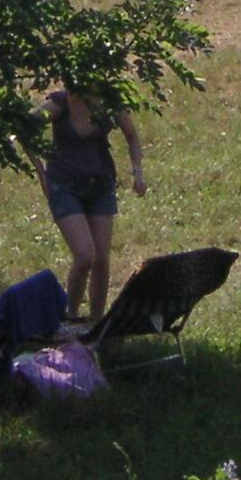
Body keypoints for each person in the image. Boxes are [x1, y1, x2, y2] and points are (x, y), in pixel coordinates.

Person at [36, 83, 145, 323]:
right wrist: (41, 173)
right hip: (64, 185)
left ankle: (96, 323)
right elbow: (25, 127)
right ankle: (71, 318)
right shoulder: (59, 104)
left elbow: (132, 135)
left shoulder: (109, 101)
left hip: (101, 184)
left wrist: (137, 172)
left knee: (102, 259)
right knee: (85, 255)